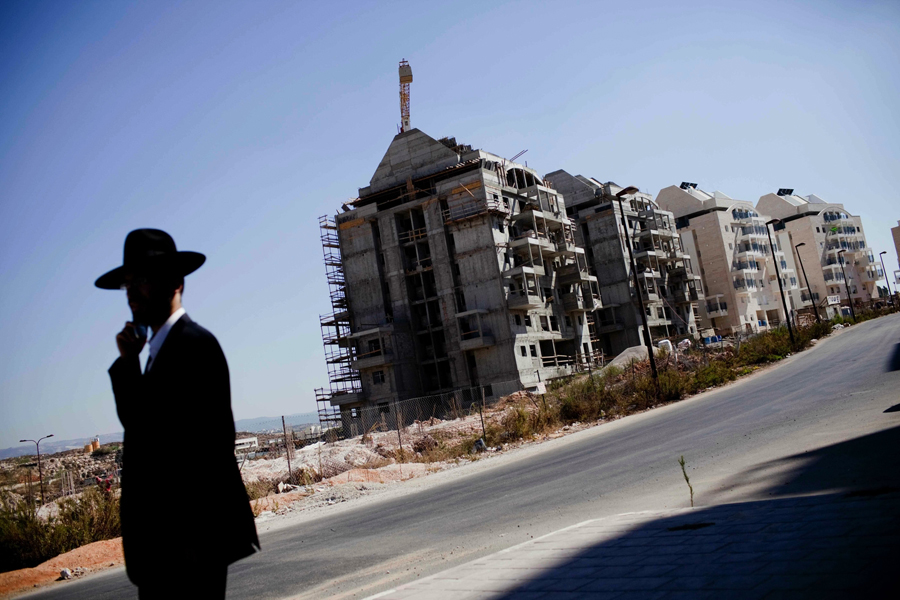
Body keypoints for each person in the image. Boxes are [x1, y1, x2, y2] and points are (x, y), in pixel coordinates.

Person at [96, 229, 259, 598]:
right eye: (127, 284)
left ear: (175, 282)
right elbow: (142, 429)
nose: (131, 293)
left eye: (141, 280)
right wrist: (129, 362)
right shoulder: (155, 353)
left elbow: (211, 450)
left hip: (187, 553)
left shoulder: (194, 345)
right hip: (163, 554)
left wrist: (192, 549)